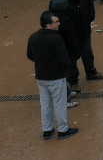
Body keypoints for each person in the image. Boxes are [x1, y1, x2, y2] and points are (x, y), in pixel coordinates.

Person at [28, 11, 79, 140]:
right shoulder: (56, 38)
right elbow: (64, 59)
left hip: (41, 77)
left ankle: (47, 130)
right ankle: (63, 130)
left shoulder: (33, 37)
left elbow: (29, 55)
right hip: (56, 77)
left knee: (45, 103)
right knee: (59, 103)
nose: (58, 24)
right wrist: (65, 67)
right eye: (56, 22)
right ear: (48, 25)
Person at [60, 0, 103, 81]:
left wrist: (91, 16)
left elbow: (90, 4)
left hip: (84, 30)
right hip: (71, 34)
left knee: (87, 52)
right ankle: (73, 80)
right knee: (72, 57)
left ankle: (91, 72)